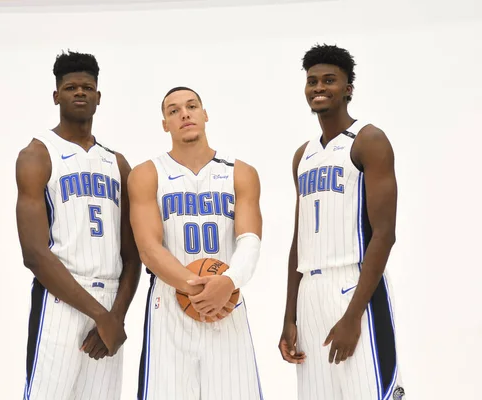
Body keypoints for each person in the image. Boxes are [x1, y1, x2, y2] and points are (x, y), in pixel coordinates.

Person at [278, 44, 406, 400]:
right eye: (312, 81)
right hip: (310, 293)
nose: (319, 87)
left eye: (330, 80)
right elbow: (297, 242)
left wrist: (353, 316)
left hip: (355, 284)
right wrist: (290, 316)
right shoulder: (302, 156)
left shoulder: (369, 140)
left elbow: (384, 235)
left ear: (348, 88)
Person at [15, 51, 141, 400]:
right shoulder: (38, 154)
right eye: (71, 87)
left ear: (99, 97)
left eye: (88, 87)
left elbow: (132, 256)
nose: (80, 93)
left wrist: (115, 317)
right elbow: (35, 256)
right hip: (61, 301)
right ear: (56, 96)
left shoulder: (117, 163)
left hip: (109, 301)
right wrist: (103, 316)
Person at [128, 87, 264, 400]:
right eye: (173, 110)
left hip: (227, 301)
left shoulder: (240, 172)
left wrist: (227, 282)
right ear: (165, 123)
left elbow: (250, 241)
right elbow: (149, 248)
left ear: (205, 114)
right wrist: (198, 288)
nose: (184, 114)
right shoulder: (147, 173)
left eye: (191, 106)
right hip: (170, 305)